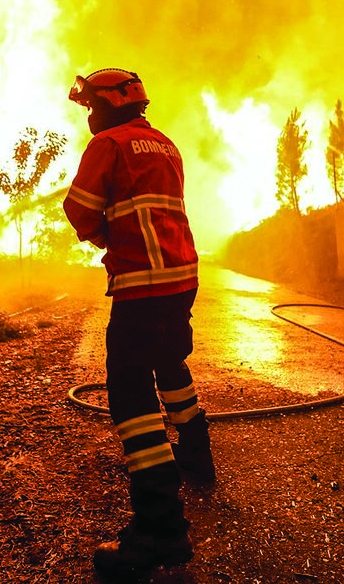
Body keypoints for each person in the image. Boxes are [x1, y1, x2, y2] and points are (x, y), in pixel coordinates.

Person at [63, 68, 216, 577]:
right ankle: (196, 454)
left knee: (131, 398)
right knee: (169, 363)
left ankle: (159, 531)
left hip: (142, 283)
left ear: (107, 105)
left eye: (90, 107)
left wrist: (108, 233)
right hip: (182, 277)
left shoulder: (108, 144)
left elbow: (80, 211)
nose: (88, 116)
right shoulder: (165, 145)